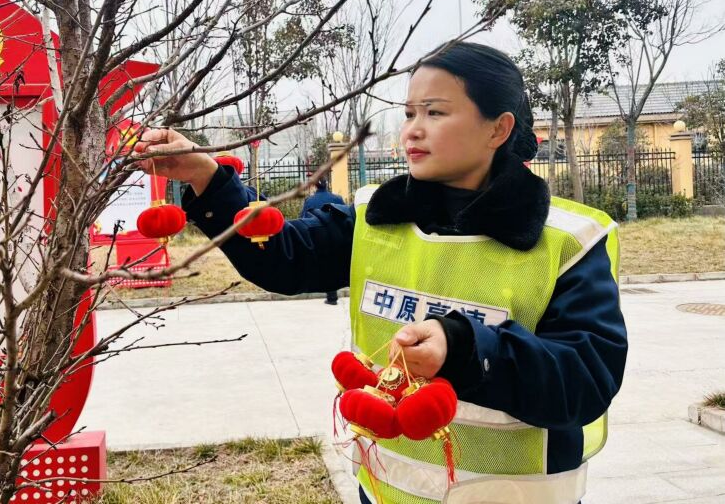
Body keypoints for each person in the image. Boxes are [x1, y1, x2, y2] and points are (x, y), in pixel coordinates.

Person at [135, 41, 626, 504]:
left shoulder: (566, 240)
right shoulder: (375, 218)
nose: (411, 129)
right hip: (385, 488)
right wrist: (205, 175)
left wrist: (464, 346)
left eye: (435, 112)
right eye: (409, 113)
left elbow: (585, 379)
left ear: (497, 129)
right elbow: (283, 257)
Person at [300, 178, 345, 305]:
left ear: (315, 186)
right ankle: (332, 296)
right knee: (333, 265)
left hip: (317, 237)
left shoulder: (310, 201)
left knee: (322, 264)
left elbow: (303, 218)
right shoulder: (337, 199)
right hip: (336, 236)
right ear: (327, 185)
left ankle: (321, 289)